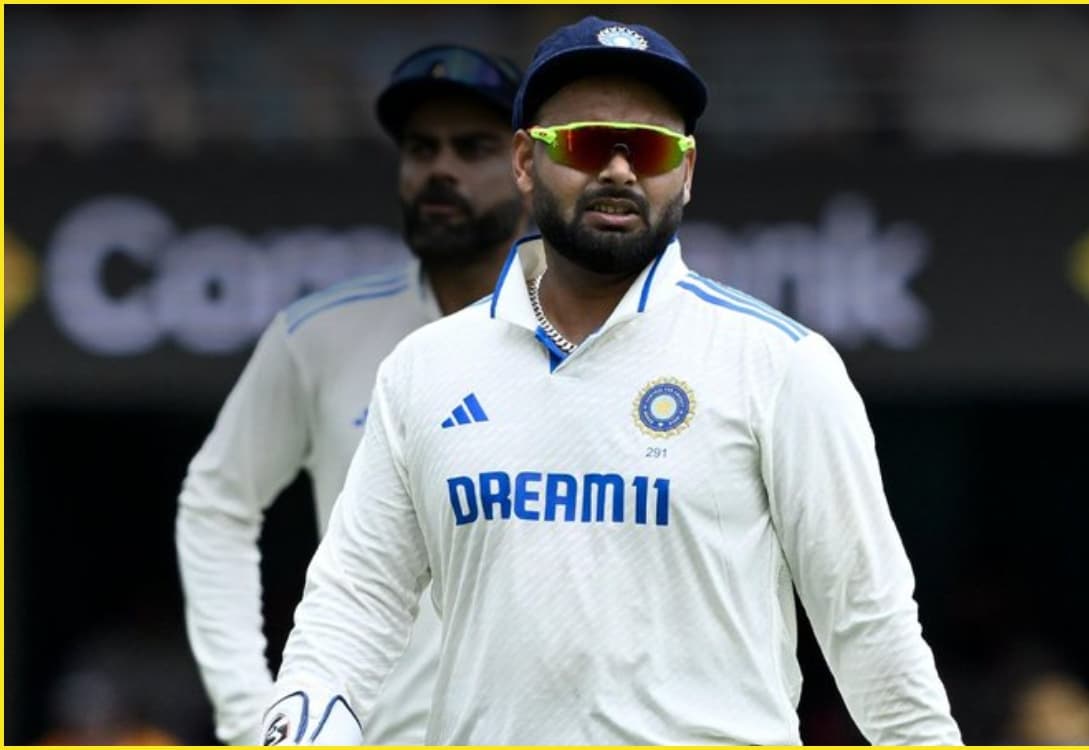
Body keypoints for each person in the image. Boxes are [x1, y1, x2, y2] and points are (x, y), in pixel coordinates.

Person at [263, 16, 962, 745]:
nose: (621, 172)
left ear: (686, 173)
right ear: (525, 161)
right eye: (588, 144)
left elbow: (870, 624)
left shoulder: (781, 363)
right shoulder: (426, 367)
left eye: (651, 149)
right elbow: (354, 604)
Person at [174, 44, 527, 745]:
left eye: (473, 147)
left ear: (527, 165)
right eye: (421, 149)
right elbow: (216, 503)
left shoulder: (586, 333)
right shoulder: (319, 333)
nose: (441, 169)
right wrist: (249, 714)